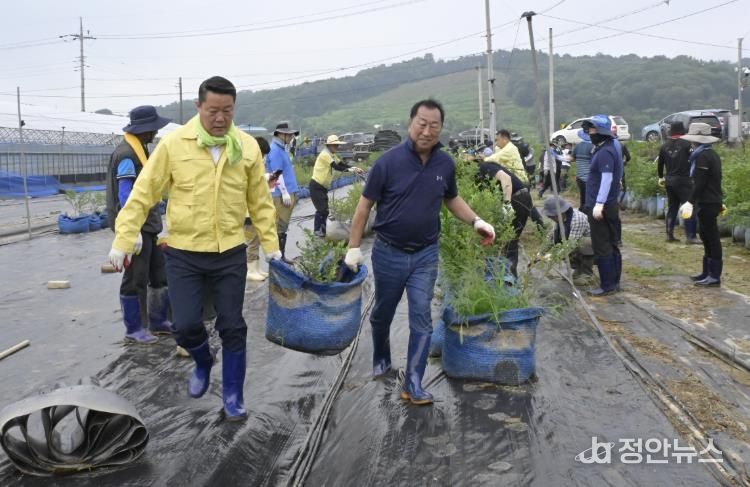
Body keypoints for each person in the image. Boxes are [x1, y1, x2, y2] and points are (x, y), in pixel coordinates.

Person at [108, 76, 281, 420]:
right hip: (184, 253)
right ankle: (203, 360)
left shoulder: (246, 147)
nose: (220, 118)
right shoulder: (175, 145)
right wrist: (124, 239)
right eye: (213, 110)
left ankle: (233, 397)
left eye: (227, 111)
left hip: (229, 252)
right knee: (185, 326)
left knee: (232, 325)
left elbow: (260, 202)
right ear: (198, 106)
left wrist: (272, 248)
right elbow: (143, 192)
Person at [343, 99, 496, 406]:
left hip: (425, 254)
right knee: (382, 312)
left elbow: (451, 198)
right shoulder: (387, 163)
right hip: (389, 252)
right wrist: (353, 248)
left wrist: (476, 221)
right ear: (410, 124)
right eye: (421, 124)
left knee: (422, 318)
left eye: (433, 126)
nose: (427, 131)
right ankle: (381, 355)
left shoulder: (445, 164)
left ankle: (413, 381)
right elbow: (363, 208)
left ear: (441, 128)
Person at [105, 105, 172, 344]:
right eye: (154, 129)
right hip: (137, 227)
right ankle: (134, 328)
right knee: (135, 279)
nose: (156, 133)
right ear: (145, 130)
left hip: (149, 225)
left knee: (158, 274)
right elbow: (126, 196)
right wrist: (132, 232)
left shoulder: (140, 149)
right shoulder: (127, 154)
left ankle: (158, 321)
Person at [582, 114, 624, 296]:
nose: (590, 133)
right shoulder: (609, 147)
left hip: (602, 205)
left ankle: (607, 285)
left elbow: (606, 179)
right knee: (612, 243)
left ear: (601, 132)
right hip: (609, 203)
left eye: (593, 130)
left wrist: (599, 204)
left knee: (602, 244)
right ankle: (614, 282)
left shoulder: (605, 152)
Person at [679, 123, 724, 287]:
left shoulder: (704, 156)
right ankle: (707, 272)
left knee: (711, 238)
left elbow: (700, 183)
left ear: (696, 140)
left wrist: (690, 201)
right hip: (708, 200)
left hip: (708, 201)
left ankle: (714, 275)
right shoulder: (707, 154)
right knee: (705, 236)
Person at [476, 160, 531, 277]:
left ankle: (509, 279)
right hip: (519, 198)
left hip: (517, 199)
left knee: (509, 241)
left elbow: (506, 178)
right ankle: (507, 276)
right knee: (508, 241)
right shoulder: (478, 176)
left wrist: (507, 204)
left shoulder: (485, 167)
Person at [309, 134, 364, 237]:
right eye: (334, 145)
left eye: (337, 145)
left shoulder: (332, 155)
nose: (336, 147)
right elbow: (336, 167)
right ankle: (317, 230)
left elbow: (341, 164)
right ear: (329, 145)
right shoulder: (325, 154)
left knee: (325, 210)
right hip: (316, 185)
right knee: (321, 209)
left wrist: (354, 168)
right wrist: (351, 170)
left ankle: (323, 231)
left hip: (323, 187)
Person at [657, 121, 698, 243]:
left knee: (672, 207)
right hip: (684, 181)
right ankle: (690, 236)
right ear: (682, 131)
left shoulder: (664, 146)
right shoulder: (687, 144)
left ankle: (669, 234)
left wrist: (661, 177)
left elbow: (660, 164)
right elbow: (693, 160)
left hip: (669, 181)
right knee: (688, 207)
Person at [266, 121, 300, 263]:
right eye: (289, 135)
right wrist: (285, 193)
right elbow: (276, 173)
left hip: (286, 193)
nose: (291, 137)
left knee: (282, 226)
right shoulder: (275, 150)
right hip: (280, 195)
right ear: (281, 134)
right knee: (280, 226)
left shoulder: (281, 149)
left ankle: (281, 257)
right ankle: (279, 259)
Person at [542, 196, 594, 281]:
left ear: (560, 212)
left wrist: (551, 256)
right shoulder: (560, 220)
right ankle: (578, 269)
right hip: (574, 243)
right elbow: (551, 238)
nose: (550, 218)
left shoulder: (577, 219)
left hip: (595, 246)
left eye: (551, 216)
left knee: (584, 242)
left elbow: (570, 245)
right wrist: (540, 254)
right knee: (560, 242)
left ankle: (586, 273)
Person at [245, 136, 275, 281]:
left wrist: (266, 178)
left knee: (256, 241)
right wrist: (265, 178)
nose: (262, 157)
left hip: (254, 211)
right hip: (247, 212)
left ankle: (256, 268)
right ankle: (250, 270)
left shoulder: (257, 164)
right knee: (251, 242)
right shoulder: (247, 163)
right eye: (262, 154)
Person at [571, 129, 593, 210]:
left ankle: (582, 210)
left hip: (579, 176)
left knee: (582, 196)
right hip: (589, 177)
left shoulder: (578, 146)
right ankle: (587, 212)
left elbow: (572, 158)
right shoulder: (593, 147)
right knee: (589, 197)